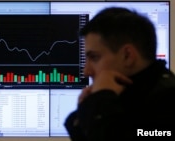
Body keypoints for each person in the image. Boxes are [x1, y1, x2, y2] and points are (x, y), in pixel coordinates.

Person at [64, 7, 175, 141]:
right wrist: (85, 113)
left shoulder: (167, 105)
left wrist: (100, 103)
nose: (86, 71)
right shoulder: (128, 95)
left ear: (127, 56)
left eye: (94, 57)